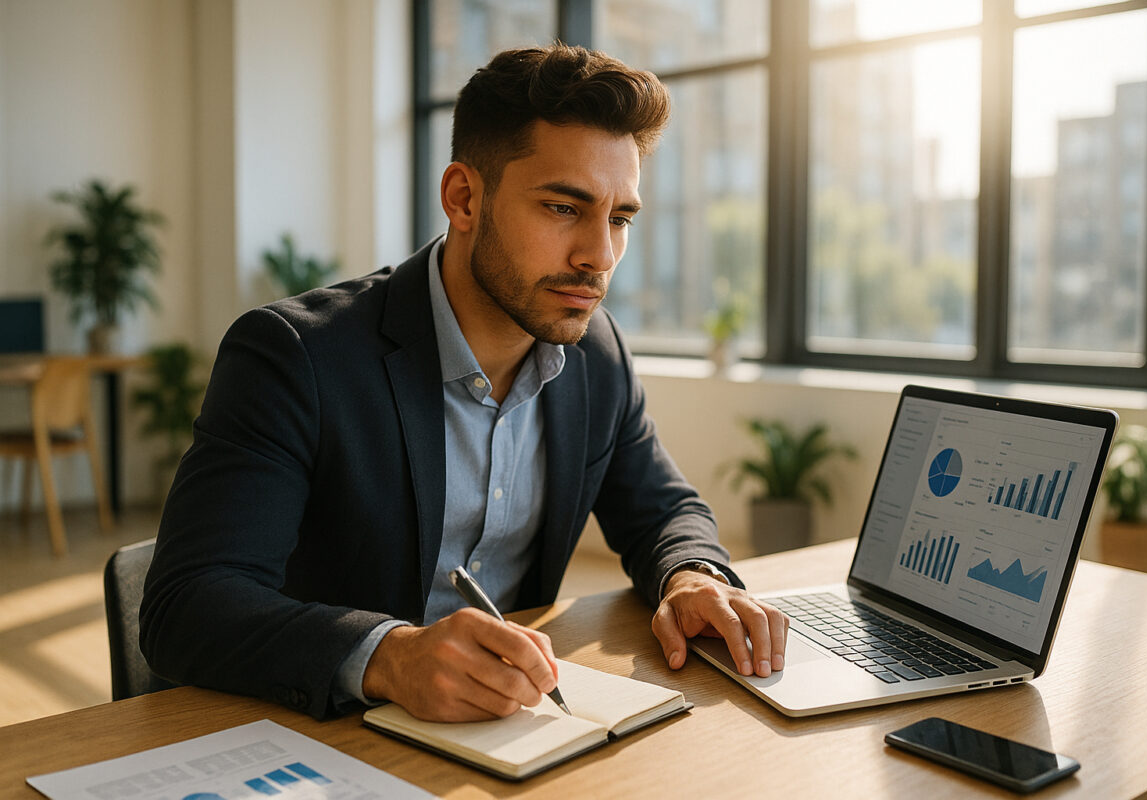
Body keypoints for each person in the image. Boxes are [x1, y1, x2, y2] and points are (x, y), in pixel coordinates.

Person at [140, 43, 787, 723]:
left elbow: (661, 511)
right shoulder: (296, 356)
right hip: (307, 733)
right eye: (564, 208)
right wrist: (391, 656)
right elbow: (188, 604)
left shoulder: (596, 352)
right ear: (464, 198)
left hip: (494, 730)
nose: (599, 255)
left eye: (620, 218)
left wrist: (693, 576)